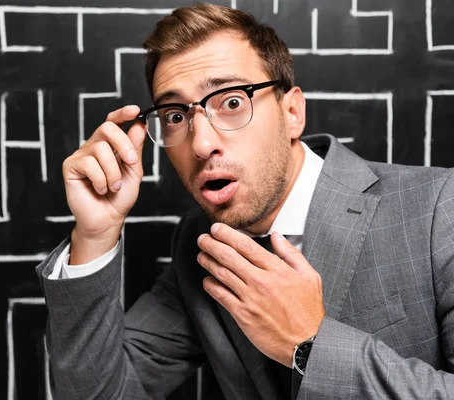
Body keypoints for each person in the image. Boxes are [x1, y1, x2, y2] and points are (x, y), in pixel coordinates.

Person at [36, 3, 454, 399]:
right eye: (176, 116)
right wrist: (95, 233)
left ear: (292, 113)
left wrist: (309, 344)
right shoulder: (197, 247)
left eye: (232, 102)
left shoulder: (439, 208)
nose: (201, 144)